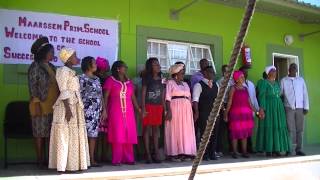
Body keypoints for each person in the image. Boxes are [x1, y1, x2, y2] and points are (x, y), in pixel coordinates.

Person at [49, 47, 90, 171]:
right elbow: (63, 89)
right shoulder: (62, 71)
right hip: (66, 106)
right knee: (65, 134)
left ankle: (73, 164)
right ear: (68, 58)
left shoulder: (71, 71)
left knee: (74, 134)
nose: (77, 58)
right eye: (75, 56)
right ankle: (62, 165)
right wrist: (67, 109)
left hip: (75, 104)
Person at [28, 37, 59, 168]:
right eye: (51, 52)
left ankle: (49, 159)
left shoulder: (52, 66)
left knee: (50, 133)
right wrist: (36, 102)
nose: (53, 54)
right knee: (39, 133)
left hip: (54, 105)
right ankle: (40, 159)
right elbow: (32, 85)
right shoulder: (35, 66)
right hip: (40, 104)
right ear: (44, 53)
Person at [103, 61, 141, 166]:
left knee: (128, 132)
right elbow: (106, 96)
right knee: (118, 133)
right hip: (115, 110)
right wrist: (104, 110)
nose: (126, 68)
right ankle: (117, 159)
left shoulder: (129, 81)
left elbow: (132, 96)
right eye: (124, 67)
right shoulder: (111, 80)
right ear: (118, 69)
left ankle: (129, 158)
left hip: (129, 111)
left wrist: (138, 108)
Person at [256, 66, 291, 157]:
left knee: (279, 126)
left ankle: (277, 148)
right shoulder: (264, 83)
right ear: (268, 73)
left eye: (275, 71)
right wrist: (262, 109)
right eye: (273, 71)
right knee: (269, 126)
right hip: (269, 107)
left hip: (278, 108)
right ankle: (269, 149)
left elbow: (279, 95)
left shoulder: (276, 83)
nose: (275, 72)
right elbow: (262, 96)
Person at [165, 63, 196, 162]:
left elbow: (190, 98)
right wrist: (168, 111)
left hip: (186, 109)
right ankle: (174, 153)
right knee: (175, 130)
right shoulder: (170, 83)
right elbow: (167, 98)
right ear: (176, 74)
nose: (183, 75)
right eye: (182, 73)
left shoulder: (186, 84)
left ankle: (186, 152)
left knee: (185, 130)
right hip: (175, 108)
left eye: (183, 73)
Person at [79, 56, 106, 167]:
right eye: (94, 63)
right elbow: (78, 95)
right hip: (85, 110)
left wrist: (104, 110)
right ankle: (83, 160)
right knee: (84, 135)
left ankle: (91, 159)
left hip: (96, 111)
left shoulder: (97, 79)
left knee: (93, 135)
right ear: (88, 65)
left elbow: (101, 95)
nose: (96, 65)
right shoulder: (81, 78)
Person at [224, 71, 255, 158]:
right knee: (235, 133)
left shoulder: (245, 89)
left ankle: (244, 152)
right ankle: (234, 151)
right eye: (241, 77)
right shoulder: (233, 88)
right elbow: (229, 102)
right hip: (236, 115)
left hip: (246, 116)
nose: (243, 78)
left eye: (243, 77)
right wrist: (226, 114)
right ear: (236, 79)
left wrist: (256, 111)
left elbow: (250, 103)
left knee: (244, 134)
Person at [281, 63, 309, 156]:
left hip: (300, 107)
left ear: (297, 70)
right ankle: (289, 149)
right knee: (289, 129)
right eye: (292, 68)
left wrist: (306, 107)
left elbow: (305, 93)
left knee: (300, 129)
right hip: (288, 107)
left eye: (295, 68)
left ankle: (299, 149)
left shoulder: (301, 80)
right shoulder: (284, 80)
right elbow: (280, 94)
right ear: (288, 69)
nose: (294, 69)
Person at [192, 66, 219, 160]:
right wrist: (196, 112)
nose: (213, 74)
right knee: (204, 133)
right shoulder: (199, 85)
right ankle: (204, 154)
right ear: (205, 73)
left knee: (214, 133)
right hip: (204, 112)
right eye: (211, 72)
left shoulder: (216, 85)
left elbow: (218, 98)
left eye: (213, 72)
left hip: (214, 113)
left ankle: (212, 153)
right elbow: (195, 100)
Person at [141, 57, 165, 163]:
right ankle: (148, 154)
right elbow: (143, 93)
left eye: (158, 63)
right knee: (147, 129)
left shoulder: (161, 77)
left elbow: (163, 92)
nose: (158, 66)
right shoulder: (146, 77)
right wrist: (143, 108)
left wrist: (164, 107)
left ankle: (155, 152)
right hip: (148, 106)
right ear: (150, 66)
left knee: (156, 129)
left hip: (158, 106)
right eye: (155, 64)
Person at [239, 65, 264, 153]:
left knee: (249, 130)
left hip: (251, 111)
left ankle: (249, 148)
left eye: (247, 72)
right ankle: (241, 149)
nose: (246, 74)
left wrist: (257, 111)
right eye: (244, 72)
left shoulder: (251, 84)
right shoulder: (237, 85)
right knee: (241, 131)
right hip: (241, 111)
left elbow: (254, 98)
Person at [94, 57, 110, 162]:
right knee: (98, 133)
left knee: (106, 133)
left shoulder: (108, 78)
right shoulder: (96, 78)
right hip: (99, 107)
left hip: (108, 106)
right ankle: (96, 156)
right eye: (106, 64)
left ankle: (104, 155)